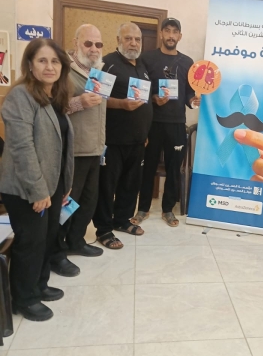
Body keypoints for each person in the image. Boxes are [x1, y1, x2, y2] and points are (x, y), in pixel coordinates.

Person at [0, 39, 74, 321]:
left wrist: (63, 183)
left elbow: (60, 144)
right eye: (42, 60)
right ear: (30, 65)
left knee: (46, 237)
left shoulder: (55, 96)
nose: (49, 67)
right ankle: (24, 298)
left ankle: (39, 285)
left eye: (55, 61)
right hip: (25, 187)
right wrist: (38, 191)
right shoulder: (20, 96)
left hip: (52, 183)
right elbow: (22, 148)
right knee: (30, 242)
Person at [50, 24, 106, 278]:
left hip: (95, 149)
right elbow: (51, 108)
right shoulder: (63, 71)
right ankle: (56, 253)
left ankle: (76, 240)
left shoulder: (99, 73)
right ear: (76, 43)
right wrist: (78, 102)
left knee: (88, 202)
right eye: (88, 43)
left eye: (98, 44)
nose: (94, 48)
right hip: (73, 152)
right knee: (66, 205)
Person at [133, 18, 199, 228]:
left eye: (175, 32)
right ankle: (143, 208)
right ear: (161, 33)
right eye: (167, 31)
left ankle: (168, 209)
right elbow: (140, 90)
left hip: (177, 123)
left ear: (180, 36)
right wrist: (153, 98)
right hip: (151, 122)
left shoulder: (187, 62)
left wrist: (192, 101)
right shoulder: (146, 58)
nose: (171, 35)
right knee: (147, 167)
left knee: (173, 168)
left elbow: (188, 93)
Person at [93, 22, 153, 249]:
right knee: (107, 187)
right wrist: (121, 104)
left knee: (130, 184)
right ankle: (104, 229)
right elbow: (94, 97)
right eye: (128, 38)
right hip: (112, 140)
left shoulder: (142, 66)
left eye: (137, 39)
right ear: (118, 40)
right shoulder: (107, 64)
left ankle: (122, 220)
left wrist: (144, 132)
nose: (133, 43)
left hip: (137, 140)